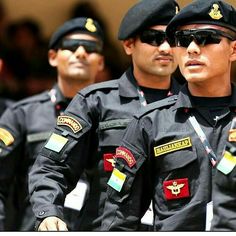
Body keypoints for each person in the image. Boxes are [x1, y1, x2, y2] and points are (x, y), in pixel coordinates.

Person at [28, 0, 182, 231]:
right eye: (153, 38)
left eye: (174, 39)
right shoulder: (96, 101)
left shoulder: (192, 103)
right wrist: (48, 212)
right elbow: (52, 166)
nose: (165, 48)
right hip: (107, 229)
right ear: (129, 45)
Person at [101, 0, 236, 231]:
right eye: (182, 41)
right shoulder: (150, 122)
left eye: (206, 38)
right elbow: (119, 218)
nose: (192, 48)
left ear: (233, 49)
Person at [0, 16, 105, 231]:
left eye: (90, 47)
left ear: (101, 62)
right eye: (71, 46)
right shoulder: (23, 114)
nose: (81, 52)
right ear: (52, 57)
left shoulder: (117, 116)